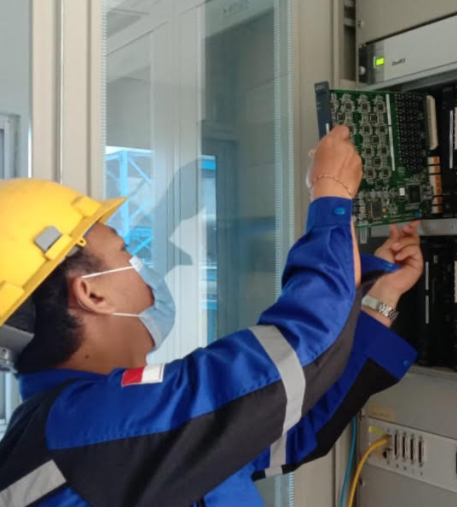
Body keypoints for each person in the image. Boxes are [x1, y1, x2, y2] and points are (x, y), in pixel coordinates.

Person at [0, 126, 423, 507]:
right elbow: (291, 358)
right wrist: (330, 197)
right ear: (92, 293)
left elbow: (288, 430)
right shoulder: (87, 427)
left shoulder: (85, 428)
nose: (139, 264)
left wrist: (379, 300)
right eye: (125, 251)